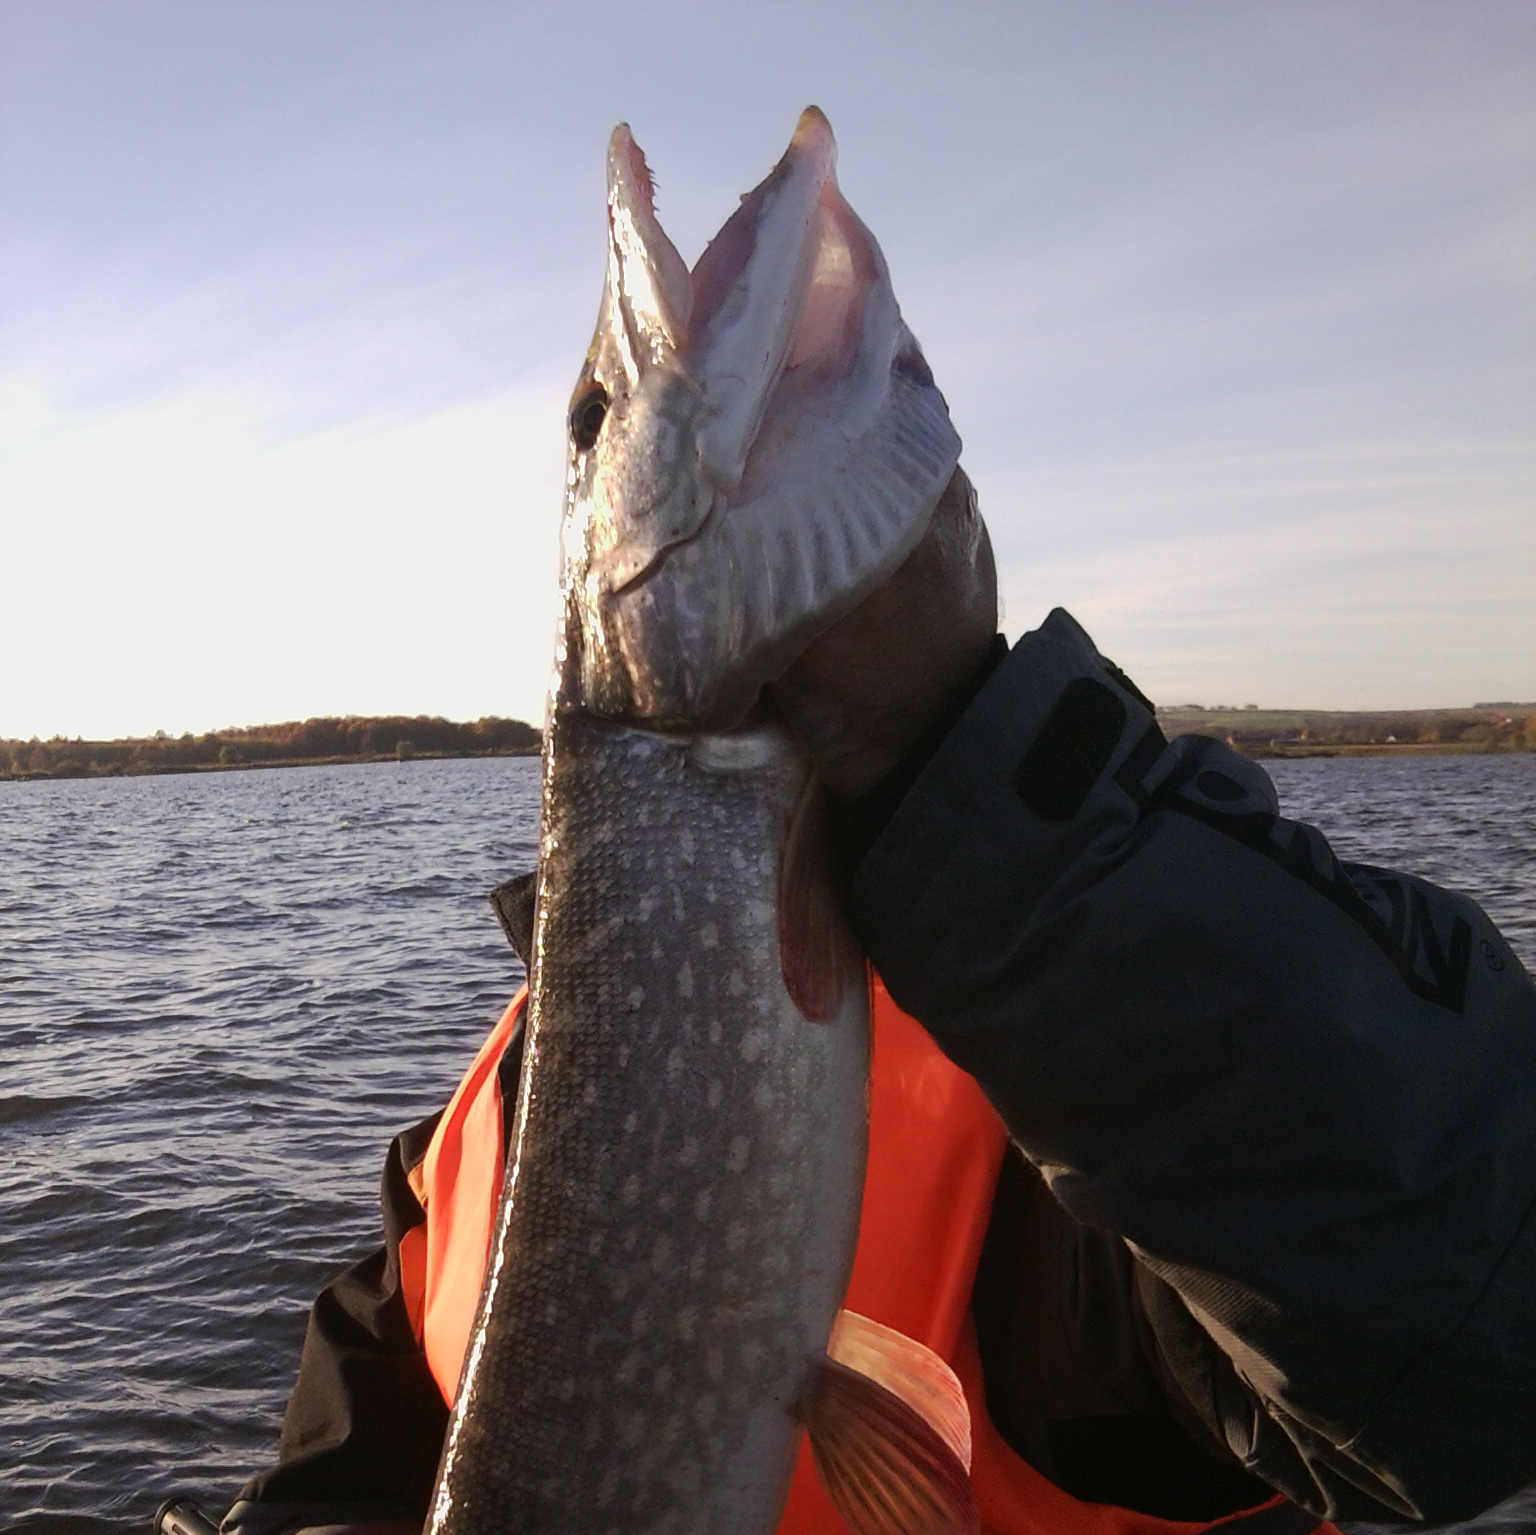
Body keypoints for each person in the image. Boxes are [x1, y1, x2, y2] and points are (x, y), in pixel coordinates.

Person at [215, 471, 1536, 1535]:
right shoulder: (487, 1120)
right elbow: (338, 1473)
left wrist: (971, 758)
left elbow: (1475, 1347)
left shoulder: (1076, 1096)